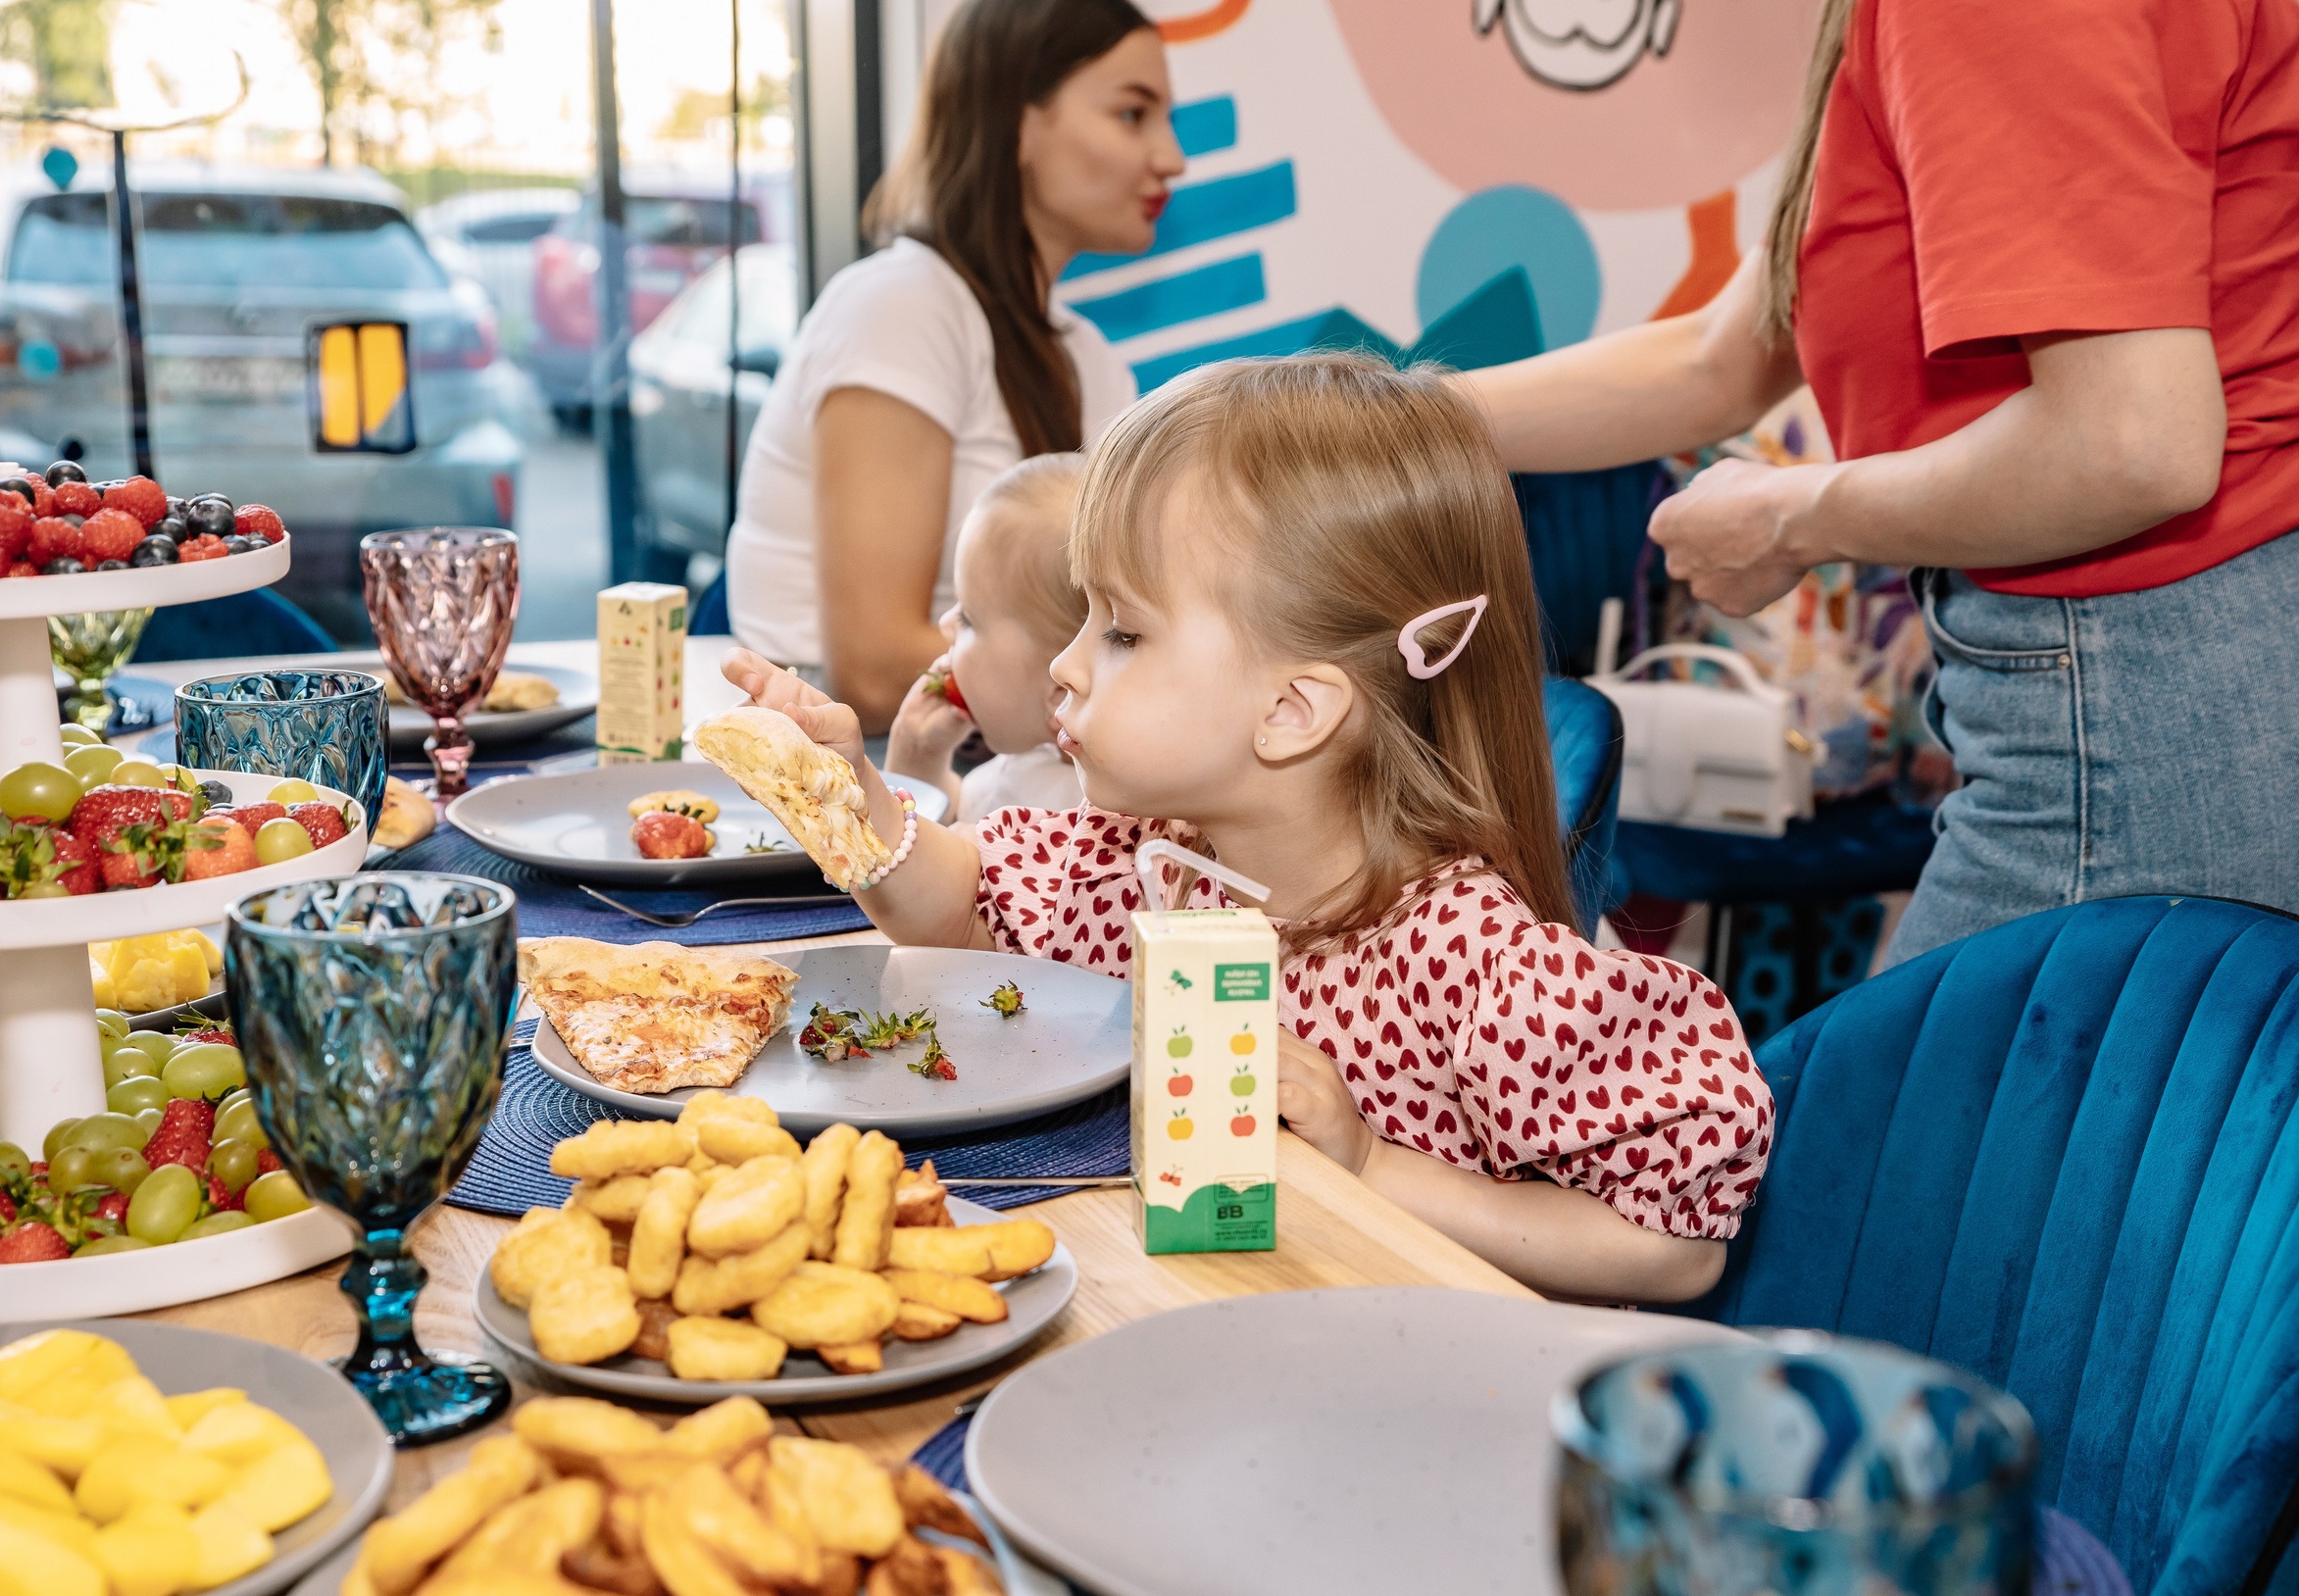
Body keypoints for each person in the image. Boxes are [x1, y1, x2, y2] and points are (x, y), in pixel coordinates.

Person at [725, 357, 1772, 1305]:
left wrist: (1370, 1164)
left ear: (1290, 713)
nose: (1066, 664)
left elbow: (1673, 1243)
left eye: (1123, 631)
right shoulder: (1152, 870)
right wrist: (848, 789)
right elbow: (950, 910)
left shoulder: (1467, 964)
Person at [1455, 0, 2299, 962]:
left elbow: (2129, 440)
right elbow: (1721, 358)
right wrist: (1369, 419)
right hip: (2210, 677)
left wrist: (1796, 519)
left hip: (2162, 703)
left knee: (1888, 1110)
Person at [724, 0, 1183, 732]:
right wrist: (1160, 686)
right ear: (1018, 120)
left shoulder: (1089, 359)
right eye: (1133, 114)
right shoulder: (901, 308)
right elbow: (871, 673)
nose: (1171, 157)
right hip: (844, 778)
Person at [885, 454, 1088, 824]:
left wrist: (910, 770)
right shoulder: (1024, 768)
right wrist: (920, 758)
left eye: (968, 618)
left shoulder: (1020, 803)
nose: (946, 623)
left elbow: (914, 856)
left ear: (1061, 694)